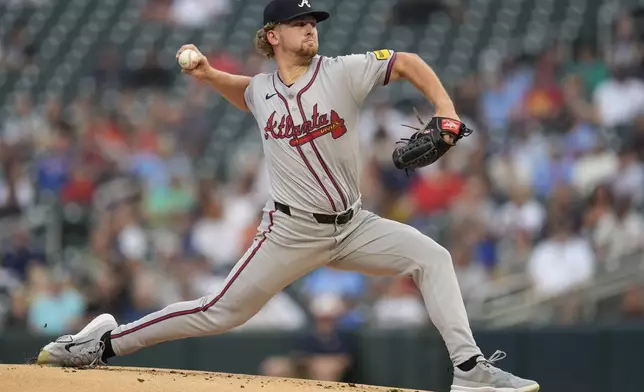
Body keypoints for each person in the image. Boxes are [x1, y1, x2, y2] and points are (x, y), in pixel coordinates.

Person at [36, 1, 539, 391]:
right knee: (218, 312)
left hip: (353, 226)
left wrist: (446, 109)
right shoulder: (262, 90)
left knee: (433, 257)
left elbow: (405, 62)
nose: (311, 28)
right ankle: (102, 342)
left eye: (313, 21)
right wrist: (210, 76)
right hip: (290, 230)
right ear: (273, 36)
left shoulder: (343, 70)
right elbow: (247, 92)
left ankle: (471, 369)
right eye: (299, 23)